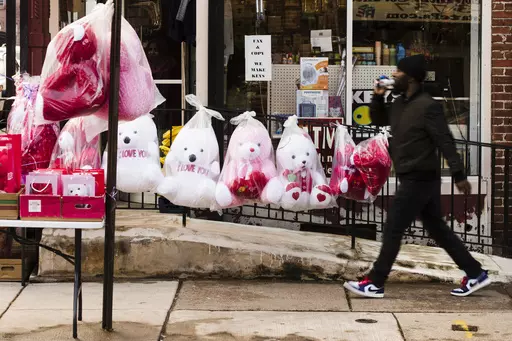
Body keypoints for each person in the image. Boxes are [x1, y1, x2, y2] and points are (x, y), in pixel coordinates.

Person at [343, 55, 490, 298]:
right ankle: (475, 273)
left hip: (420, 177)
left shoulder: (428, 106)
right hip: (411, 175)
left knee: (393, 228)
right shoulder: (401, 103)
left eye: (398, 72)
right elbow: (379, 120)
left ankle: (376, 282)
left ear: (410, 77)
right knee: (438, 230)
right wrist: (377, 97)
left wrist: (458, 174)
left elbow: (444, 140)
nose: (394, 75)